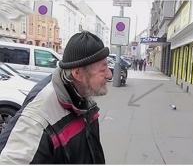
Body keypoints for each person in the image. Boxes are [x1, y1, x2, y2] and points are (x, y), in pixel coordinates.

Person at [0, 31, 112, 164]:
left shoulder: (82, 96)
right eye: (102, 69)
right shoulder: (38, 119)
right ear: (78, 73)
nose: (109, 75)